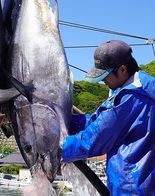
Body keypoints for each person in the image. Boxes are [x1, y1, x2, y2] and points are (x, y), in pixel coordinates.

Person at [62, 40, 155, 195]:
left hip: (132, 188)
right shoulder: (141, 86)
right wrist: (64, 120)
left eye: (105, 75)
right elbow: (98, 120)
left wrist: (56, 147)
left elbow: (96, 139)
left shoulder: (132, 98)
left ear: (123, 69)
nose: (103, 81)